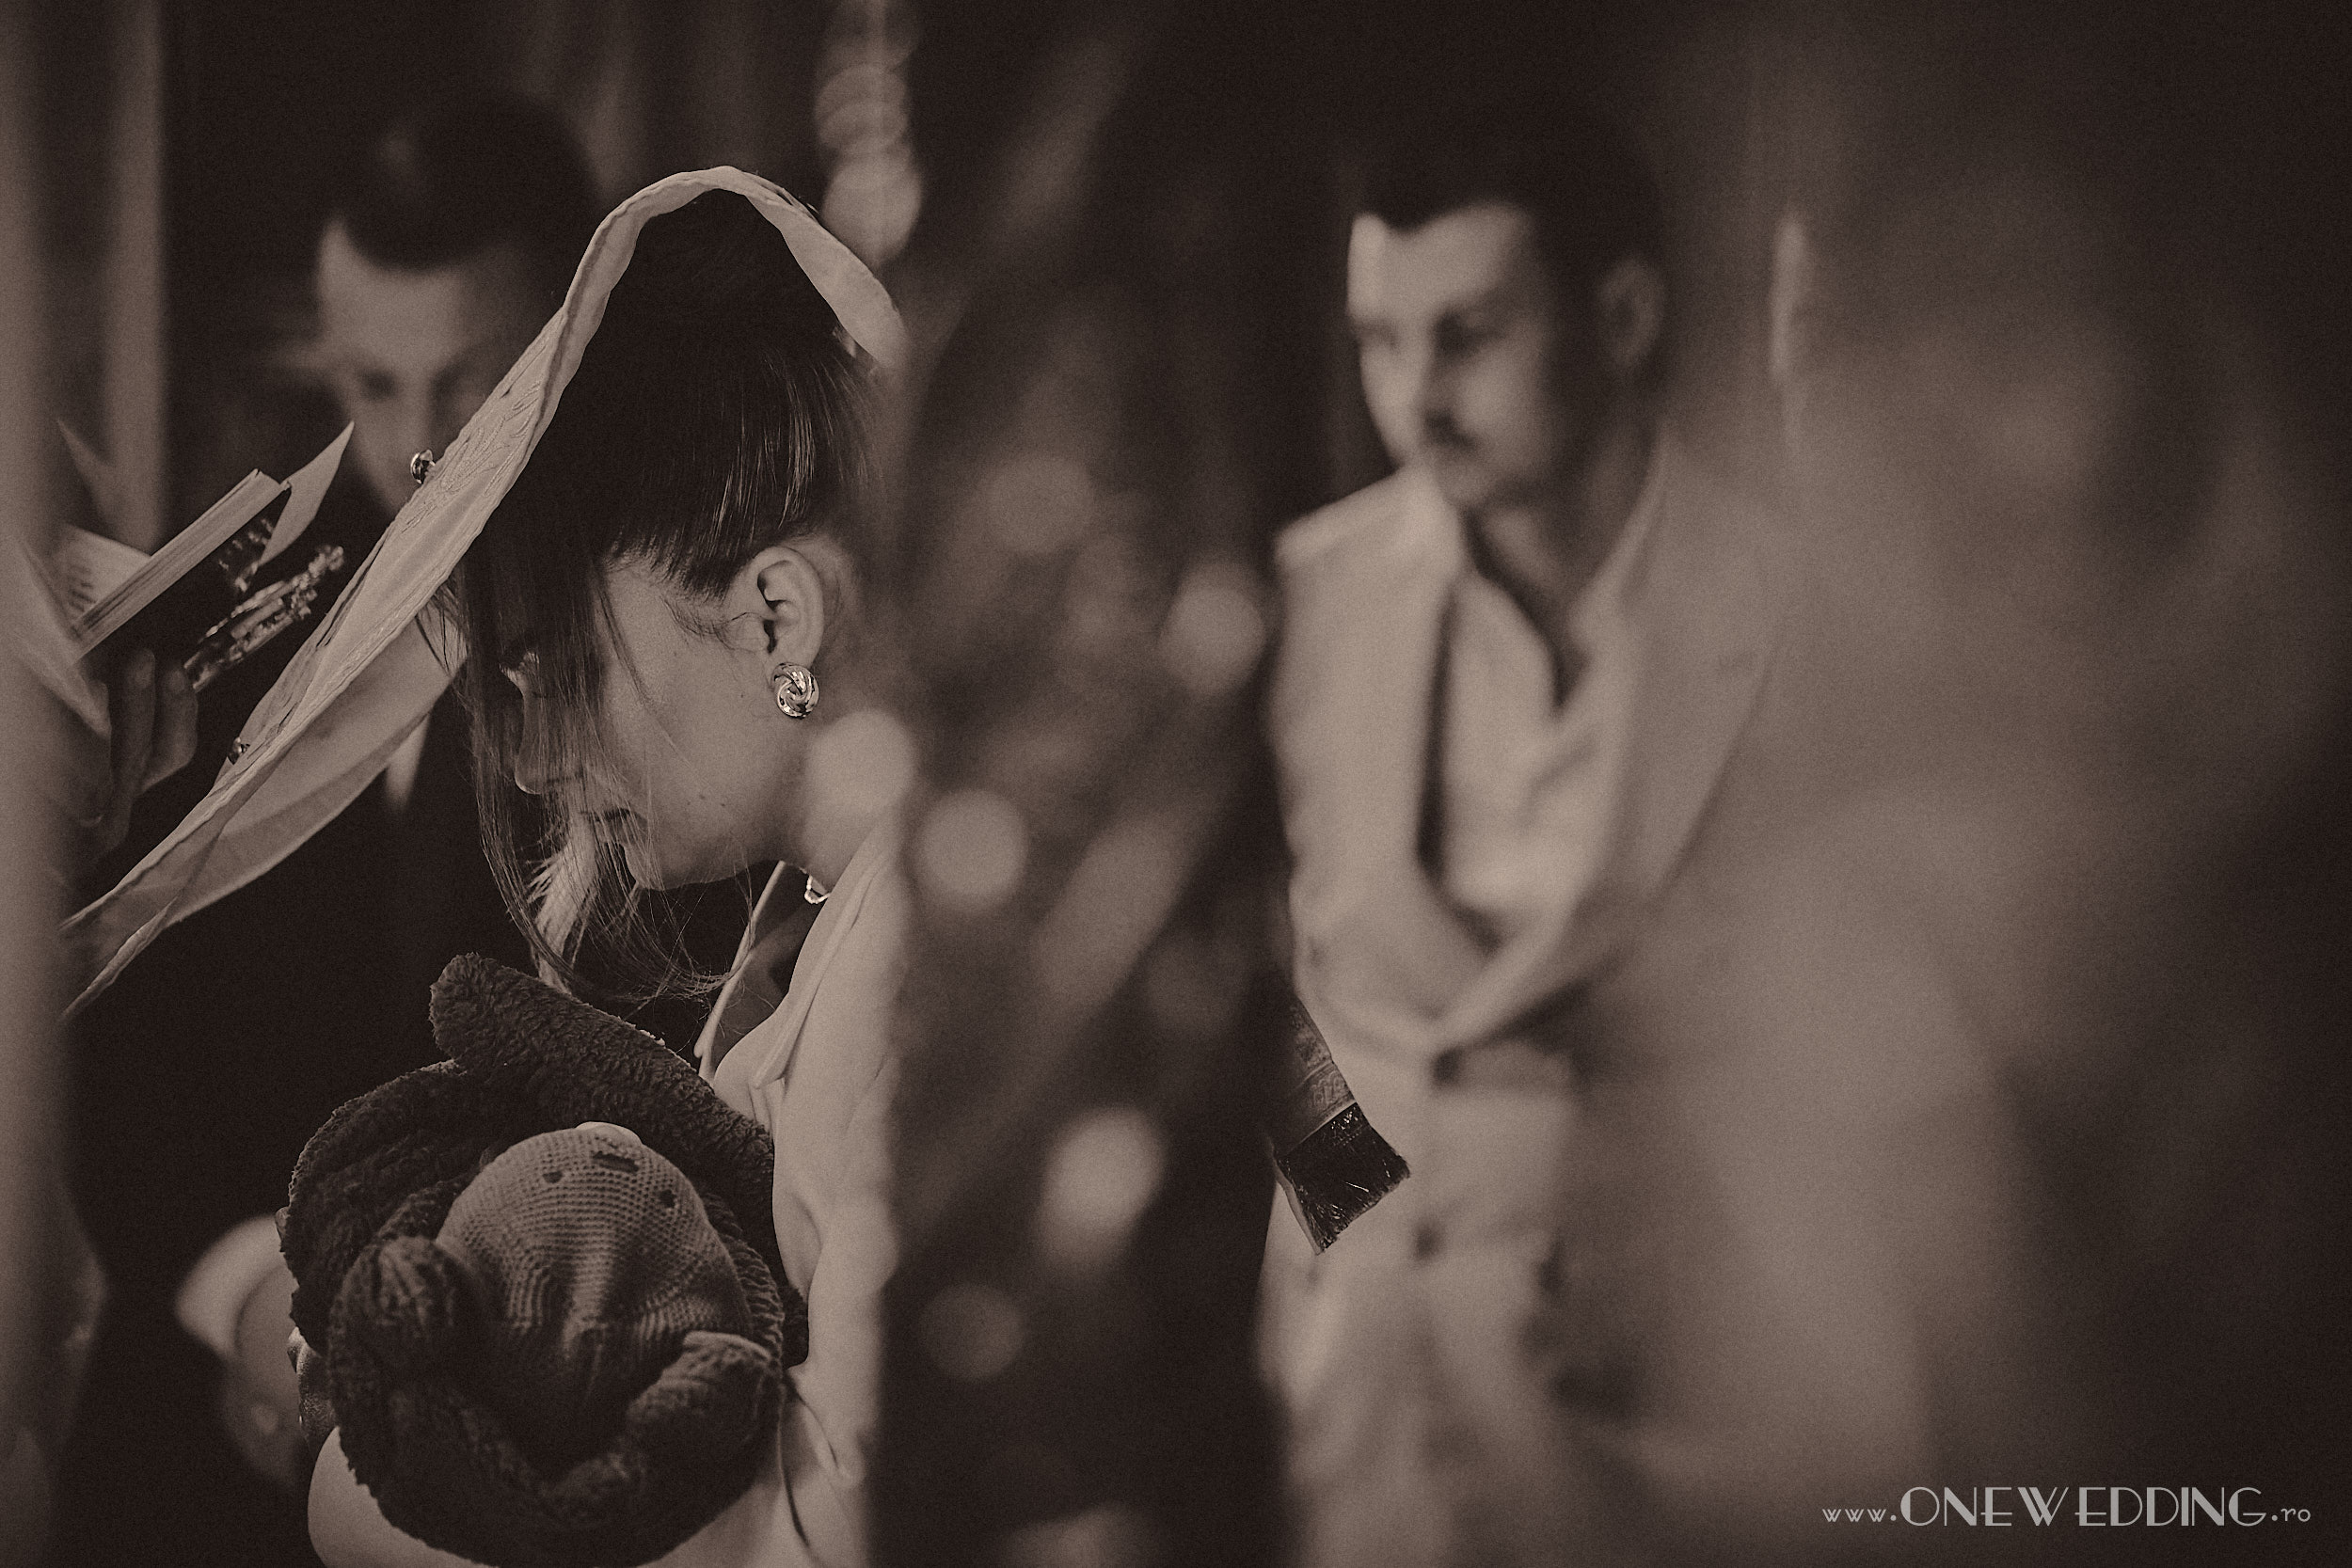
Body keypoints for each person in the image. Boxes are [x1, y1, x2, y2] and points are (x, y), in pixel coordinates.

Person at [297, 173, 911, 1568]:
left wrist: (382, 1508)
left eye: (562, 675)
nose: (527, 766)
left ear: (774, 620)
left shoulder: (918, 982)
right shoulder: (825, 910)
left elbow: (848, 1529)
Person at [52, 95, 596, 1568]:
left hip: (535, 1429)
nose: (416, 450)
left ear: (580, 336)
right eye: (373, 384)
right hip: (203, 1434)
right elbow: (112, 1018)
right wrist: (244, 1299)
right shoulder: (222, 624)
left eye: (472, 382)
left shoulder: (664, 632)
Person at [1255, 95, 1784, 1566]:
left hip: (1671, 1414)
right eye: (1380, 341)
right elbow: (1253, 971)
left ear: (1622, 319)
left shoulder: (1799, 617)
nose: (1414, 397)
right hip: (1365, 1400)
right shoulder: (1309, 597)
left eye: (1468, 336)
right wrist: (1359, 1220)